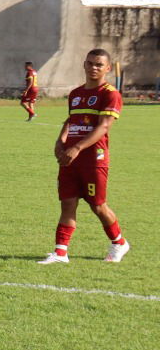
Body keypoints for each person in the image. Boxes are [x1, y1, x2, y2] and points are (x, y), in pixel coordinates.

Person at [37, 48, 129, 264]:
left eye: (99, 65)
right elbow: (70, 121)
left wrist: (77, 148)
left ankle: (119, 243)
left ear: (107, 68)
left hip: (93, 159)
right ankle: (60, 253)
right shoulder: (76, 94)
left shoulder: (110, 94)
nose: (93, 68)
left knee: (97, 205)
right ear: (84, 65)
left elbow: (104, 126)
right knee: (67, 203)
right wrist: (60, 142)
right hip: (70, 159)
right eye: (90, 63)